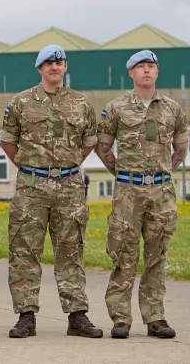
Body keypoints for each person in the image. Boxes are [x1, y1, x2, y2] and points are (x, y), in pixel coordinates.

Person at [0, 45, 102, 338]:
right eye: (48, 63)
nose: (54, 67)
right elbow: (8, 142)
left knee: (71, 250)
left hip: (69, 186)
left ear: (65, 67)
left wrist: (65, 166)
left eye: (59, 62)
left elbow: (88, 142)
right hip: (31, 186)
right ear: (39, 69)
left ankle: (77, 315)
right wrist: (30, 165)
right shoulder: (21, 102)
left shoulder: (81, 103)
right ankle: (26, 316)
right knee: (24, 250)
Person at [97, 49, 188, 339]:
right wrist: (123, 176)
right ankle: (121, 318)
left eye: (151, 66)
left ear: (157, 72)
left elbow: (181, 144)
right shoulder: (116, 107)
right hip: (128, 189)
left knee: (156, 254)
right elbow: (103, 147)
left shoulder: (172, 108)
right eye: (141, 66)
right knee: (123, 252)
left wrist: (164, 172)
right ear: (131, 73)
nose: (147, 70)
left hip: (161, 190)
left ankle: (156, 317)